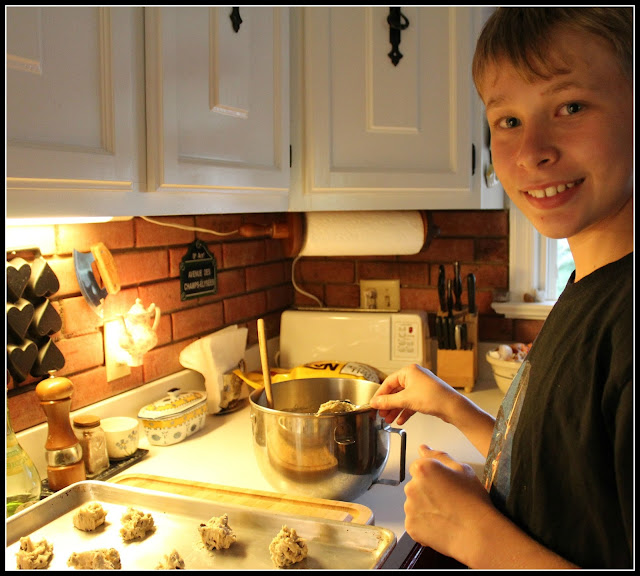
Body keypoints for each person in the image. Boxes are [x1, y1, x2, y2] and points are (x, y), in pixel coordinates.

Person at [369, 7, 633, 569]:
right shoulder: (591, 285)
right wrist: (453, 407)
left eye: (571, 107)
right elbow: (566, 478)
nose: (531, 151)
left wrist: (471, 533)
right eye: (508, 119)